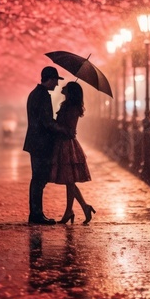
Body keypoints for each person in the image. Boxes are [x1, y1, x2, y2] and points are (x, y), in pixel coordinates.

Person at [23, 66, 69, 225]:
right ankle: (36, 214)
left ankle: (36, 213)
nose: (57, 85)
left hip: (34, 142)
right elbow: (47, 122)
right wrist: (62, 128)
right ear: (49, 79)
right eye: (56, 80)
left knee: (37, 178)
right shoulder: (43, 96)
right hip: (41, 143)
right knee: (39, 179)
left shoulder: (35, 94)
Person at [49, 81, 96, 225]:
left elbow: (69, 129)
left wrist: (55, 126)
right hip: (63, 143)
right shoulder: (67, 105)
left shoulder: (72, 108)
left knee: (69, 181)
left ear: (70, 92)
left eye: (66, 87)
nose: (62, 87)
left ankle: (71, 211)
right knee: (69, 181)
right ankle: (83, 207)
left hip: (66, 144)